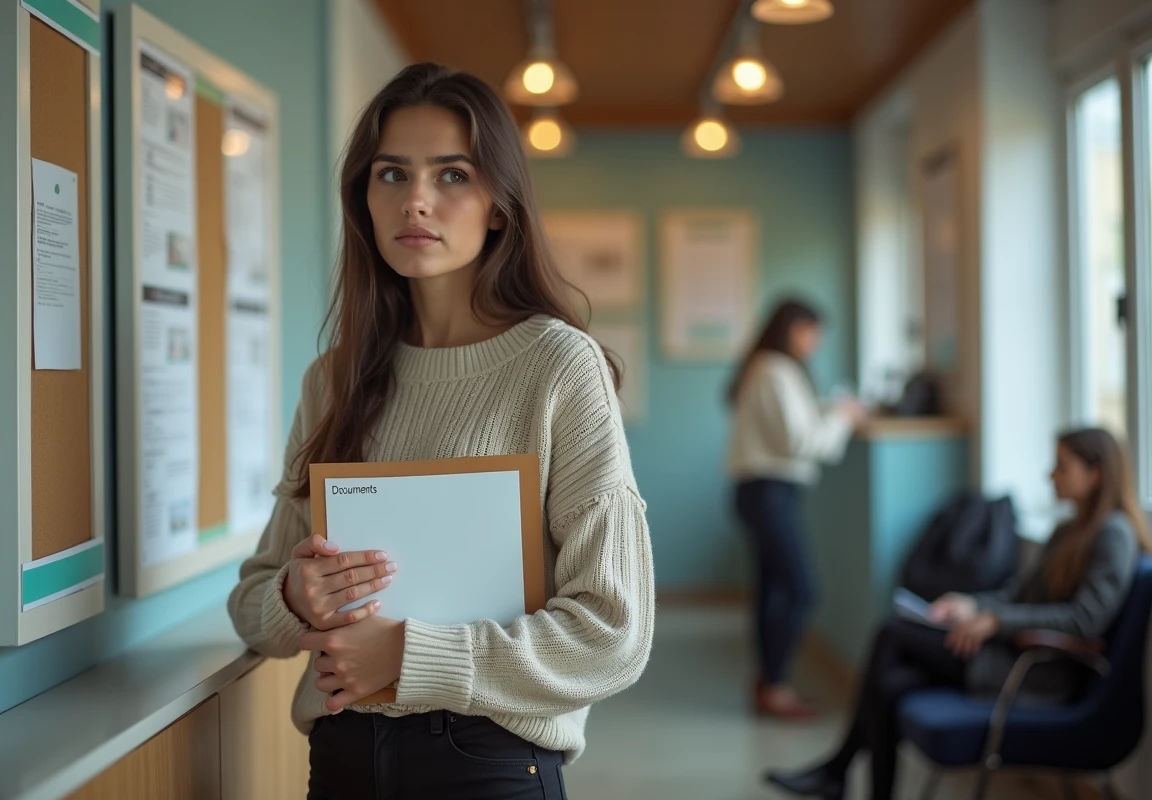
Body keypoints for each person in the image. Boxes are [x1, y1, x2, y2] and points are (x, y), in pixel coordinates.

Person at [227, 63, 655, 800]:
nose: (416, 200)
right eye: (391, 174)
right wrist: (299, 596)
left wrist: (407, 654)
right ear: (363, 196)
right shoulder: (334, 379)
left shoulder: (558, 367)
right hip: (339, 760)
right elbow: (253, 608)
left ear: (498, 204)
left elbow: (612, 633)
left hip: (488, 764)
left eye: (451, 175)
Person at [765, 427, 1151, 800]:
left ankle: (835, 772)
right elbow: (1019, 595)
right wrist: (973, 604)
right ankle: (844, 778)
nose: (1050, 474)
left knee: (892, 633)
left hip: (1037, 671)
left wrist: (996, 621)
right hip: (1013, 653)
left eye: (1062, 466)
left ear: (1096, 473)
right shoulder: (1069, 531)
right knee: (890, 683)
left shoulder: (1113, 536)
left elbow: (1086, 620)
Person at [727, 299, 867, 720]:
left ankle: (769, 682)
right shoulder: (776, 371)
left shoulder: (766, 368)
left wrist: (831, 411)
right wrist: (842, 416)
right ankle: (775, 684)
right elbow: (802, 443)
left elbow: (795, 425)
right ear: (793, 329)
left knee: (773, 589)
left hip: (761, 490)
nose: (816, 342)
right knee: (802, 589)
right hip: (770, 491)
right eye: (812, 331)